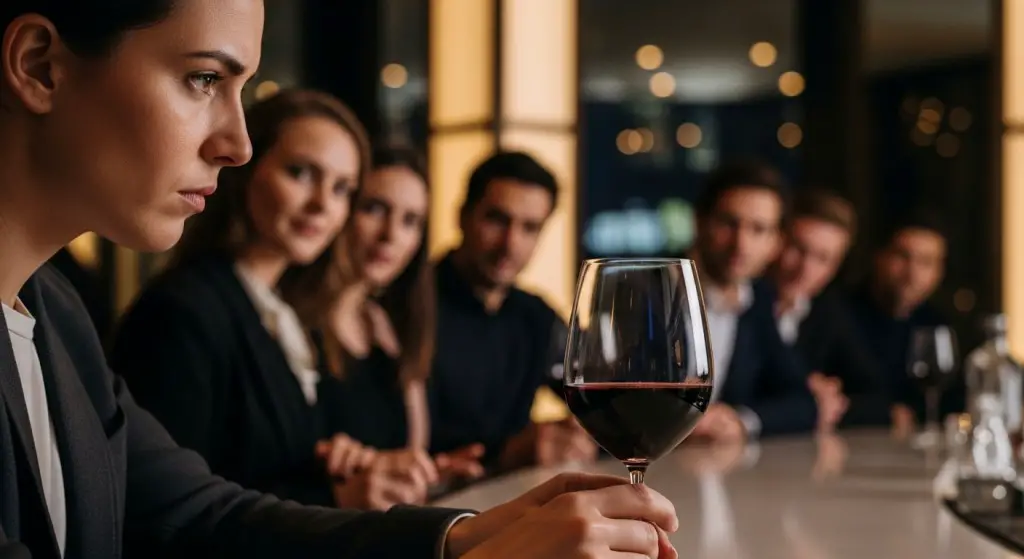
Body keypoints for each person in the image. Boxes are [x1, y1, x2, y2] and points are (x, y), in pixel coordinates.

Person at [0, 2, 678, 557]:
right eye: (204, 78)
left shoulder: (55, 312)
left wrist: (463, 537)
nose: (236, 143)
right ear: (40, 66)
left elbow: (206, 516)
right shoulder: (182, 310)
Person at [111, 90, 441, 511]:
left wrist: (345, 465)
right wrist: (334, 495)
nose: (323, 204)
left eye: (342, 189)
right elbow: (160, 507)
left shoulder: (281, 314)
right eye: (302, 173)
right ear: (246, 171)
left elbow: (261, 468)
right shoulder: (182, 313)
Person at [287, 145, 484, 502]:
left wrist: (427, 475)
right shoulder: (285, 322)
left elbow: (408, 454)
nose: (391, 235)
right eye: (374, 209)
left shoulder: (385, 326)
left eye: (410, 221)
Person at [429, 151, 597, 472]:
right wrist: (507, 453)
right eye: (497, 220)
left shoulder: (535, 315)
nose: (511, 243)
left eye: (530, 228)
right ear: (462, 216)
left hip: (516, 498)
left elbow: (596, 389)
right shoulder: (414, 305)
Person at [685, 161, 826, 441]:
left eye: (758, 229)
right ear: (700, 222)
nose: (741, 244)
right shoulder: (648, 290)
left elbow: (804, 404)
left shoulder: (758, 301)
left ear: (776, 242)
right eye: (729, 223)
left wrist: (739, 421)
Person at [769, 191, 889, 428]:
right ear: (776, 240)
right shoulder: (743, 305)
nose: (805, 267)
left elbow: (878, 396)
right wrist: (803, 395)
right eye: (798, 248)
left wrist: (829, 403)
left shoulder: (828, 312)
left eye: (823, 258)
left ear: (835, 268)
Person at [847, 209, 958, 431]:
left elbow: (957, 403)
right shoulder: (838, 315)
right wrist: (884, 415)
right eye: (902, 257)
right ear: (878, 257)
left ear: (939, 272)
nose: (912, 273)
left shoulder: (940, 325)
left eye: (926, 262)